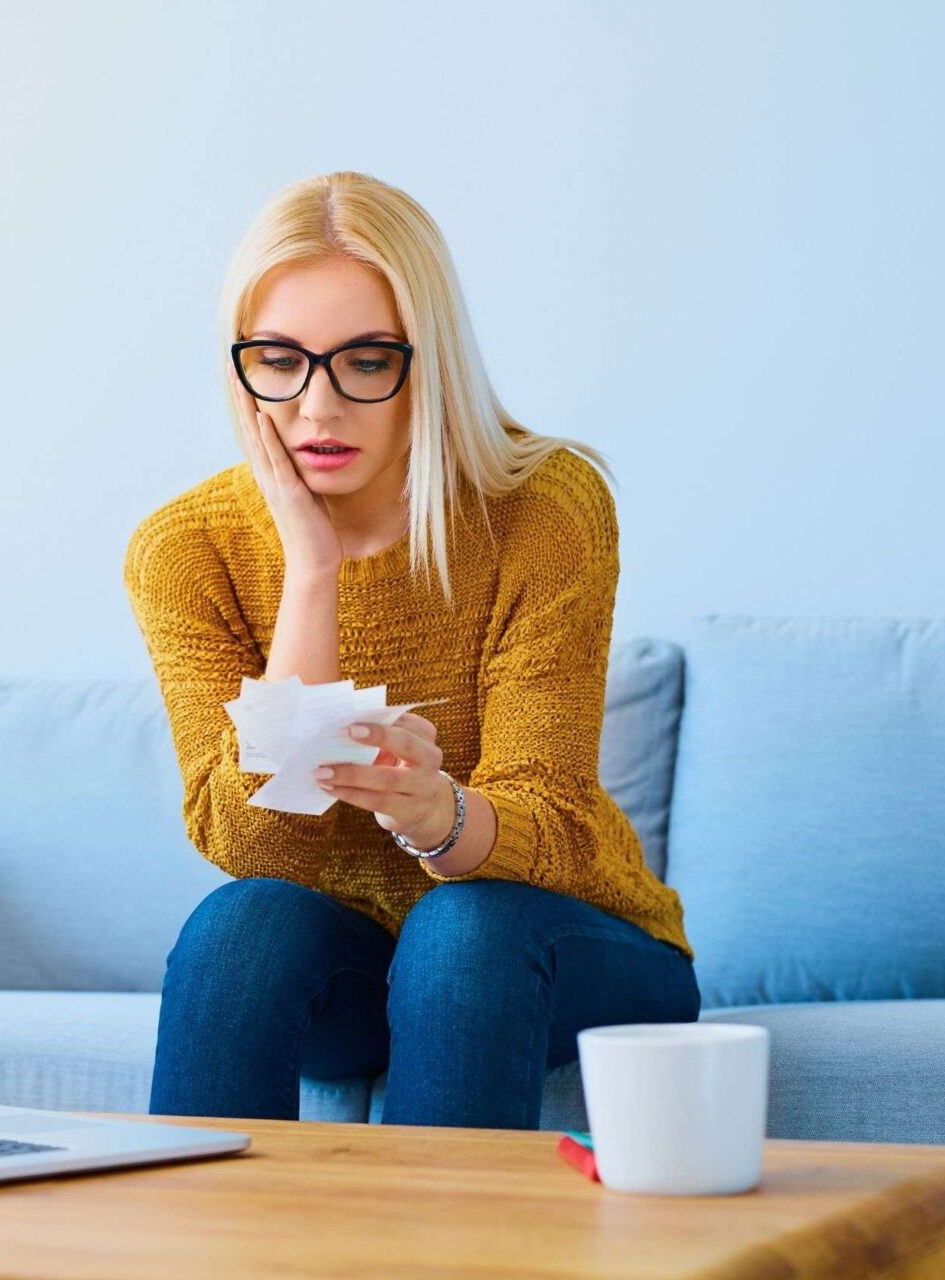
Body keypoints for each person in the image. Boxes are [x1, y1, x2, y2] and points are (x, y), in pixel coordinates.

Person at [123, 171, 696, 1128]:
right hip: (354, 978)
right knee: (240, 927)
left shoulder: (544, 506)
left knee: (462, 926)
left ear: (426, 362)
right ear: (241, 368)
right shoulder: (187, 549)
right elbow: (249, 843)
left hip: (559, 944)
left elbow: (549, 820)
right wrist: (312, 573)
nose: (317, 407)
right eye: (280, 359)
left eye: (366, 360)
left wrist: (438, 816)